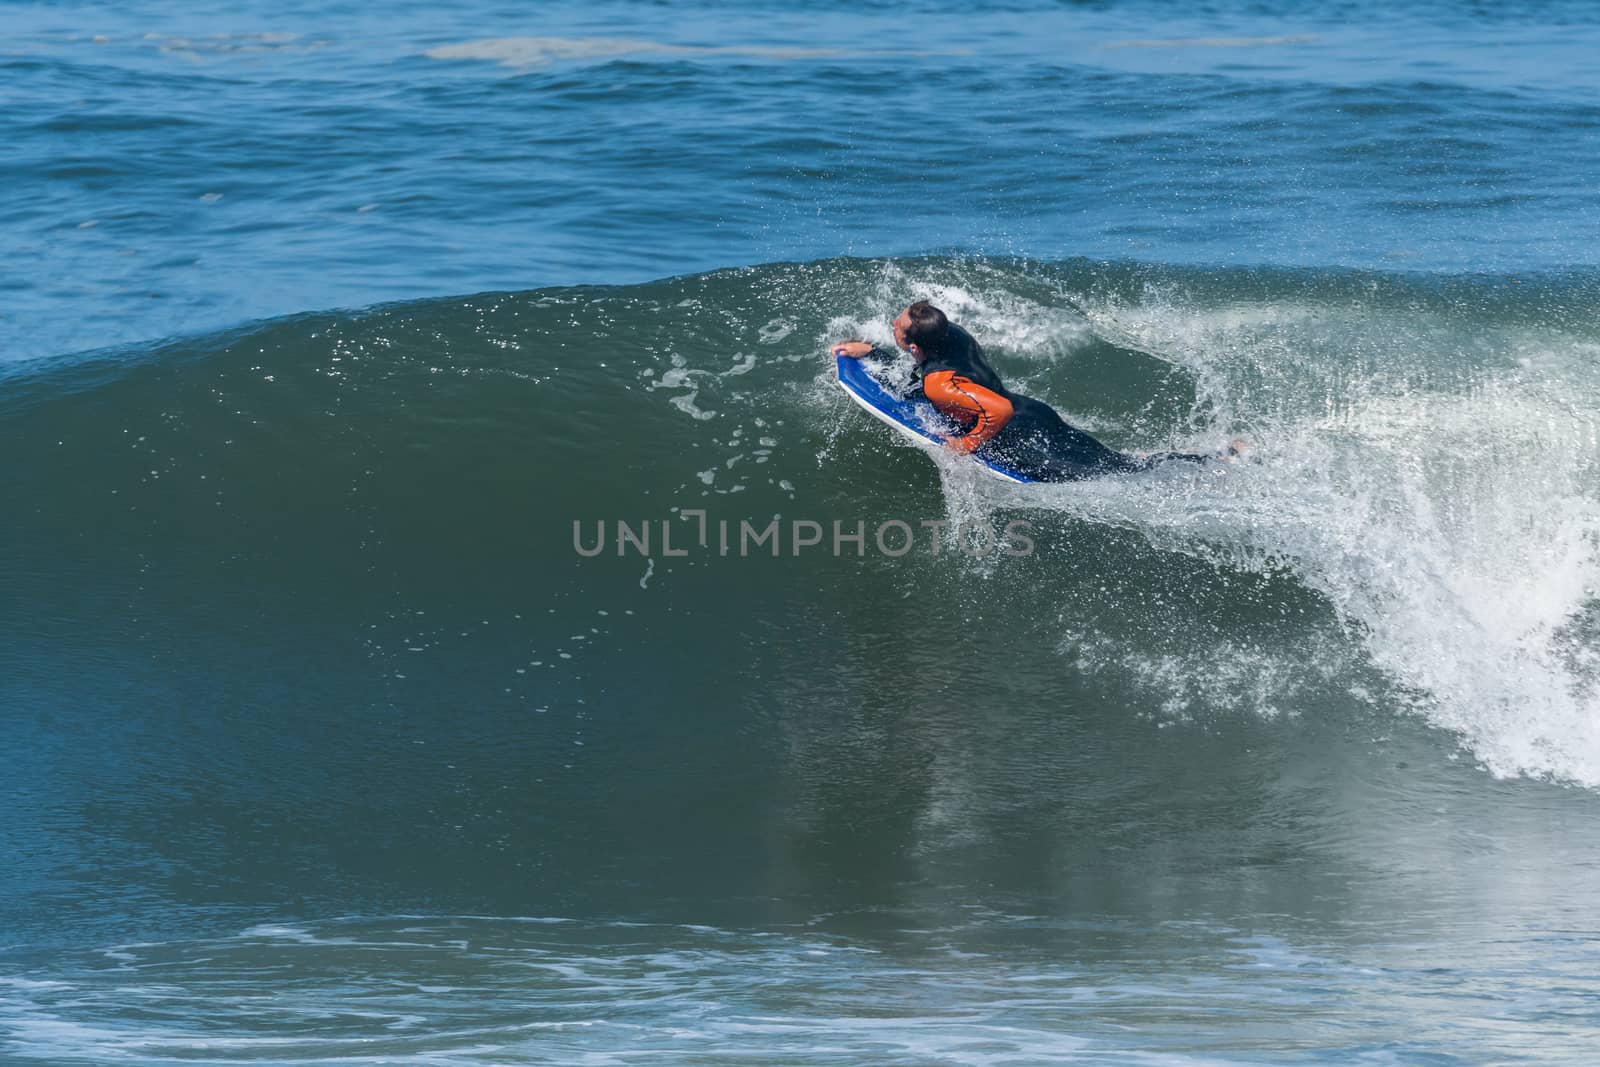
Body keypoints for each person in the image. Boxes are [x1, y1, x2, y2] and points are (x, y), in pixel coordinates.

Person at [833, 301, 1230, 482]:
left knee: (1113, 474)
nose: (891, 323)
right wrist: (876, 353)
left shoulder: (938, 383)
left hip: (1022, 438)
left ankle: (1218, 462)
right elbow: (925, 374)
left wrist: (966, 444)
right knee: (1117, 462)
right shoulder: (951, 334)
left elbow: (998, 411)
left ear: (916, 346)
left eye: (896, 327)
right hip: (1035, 413)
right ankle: (1218, 456)